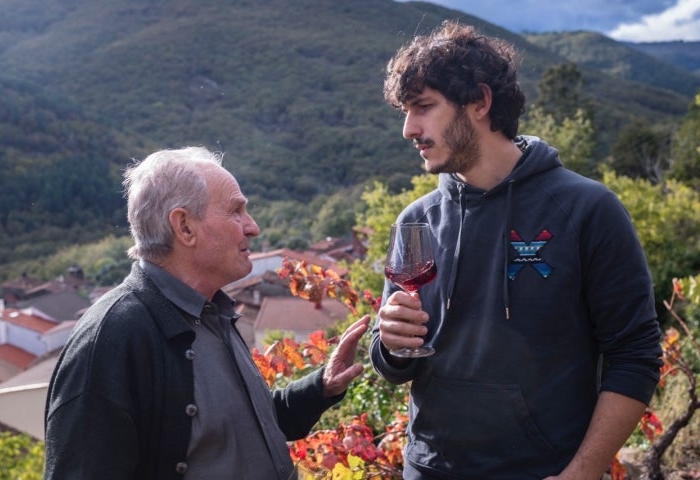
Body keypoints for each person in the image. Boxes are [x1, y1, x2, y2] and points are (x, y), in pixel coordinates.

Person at [370, 20, 663, 480]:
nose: (409, 128)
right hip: (429, 471)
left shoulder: (587, 209)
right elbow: (392, 362)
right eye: (405, 112)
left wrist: (582, 472)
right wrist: (389, 345)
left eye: (423, 107)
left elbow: (636, 354)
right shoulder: (416, 221)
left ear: (481, 102)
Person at [44, 146, 371, 480]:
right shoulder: (111, 338)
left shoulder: (212, 312)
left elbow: (241, 426)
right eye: (236, 211)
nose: (252, 227)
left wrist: (321, 387)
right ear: (184, 226)